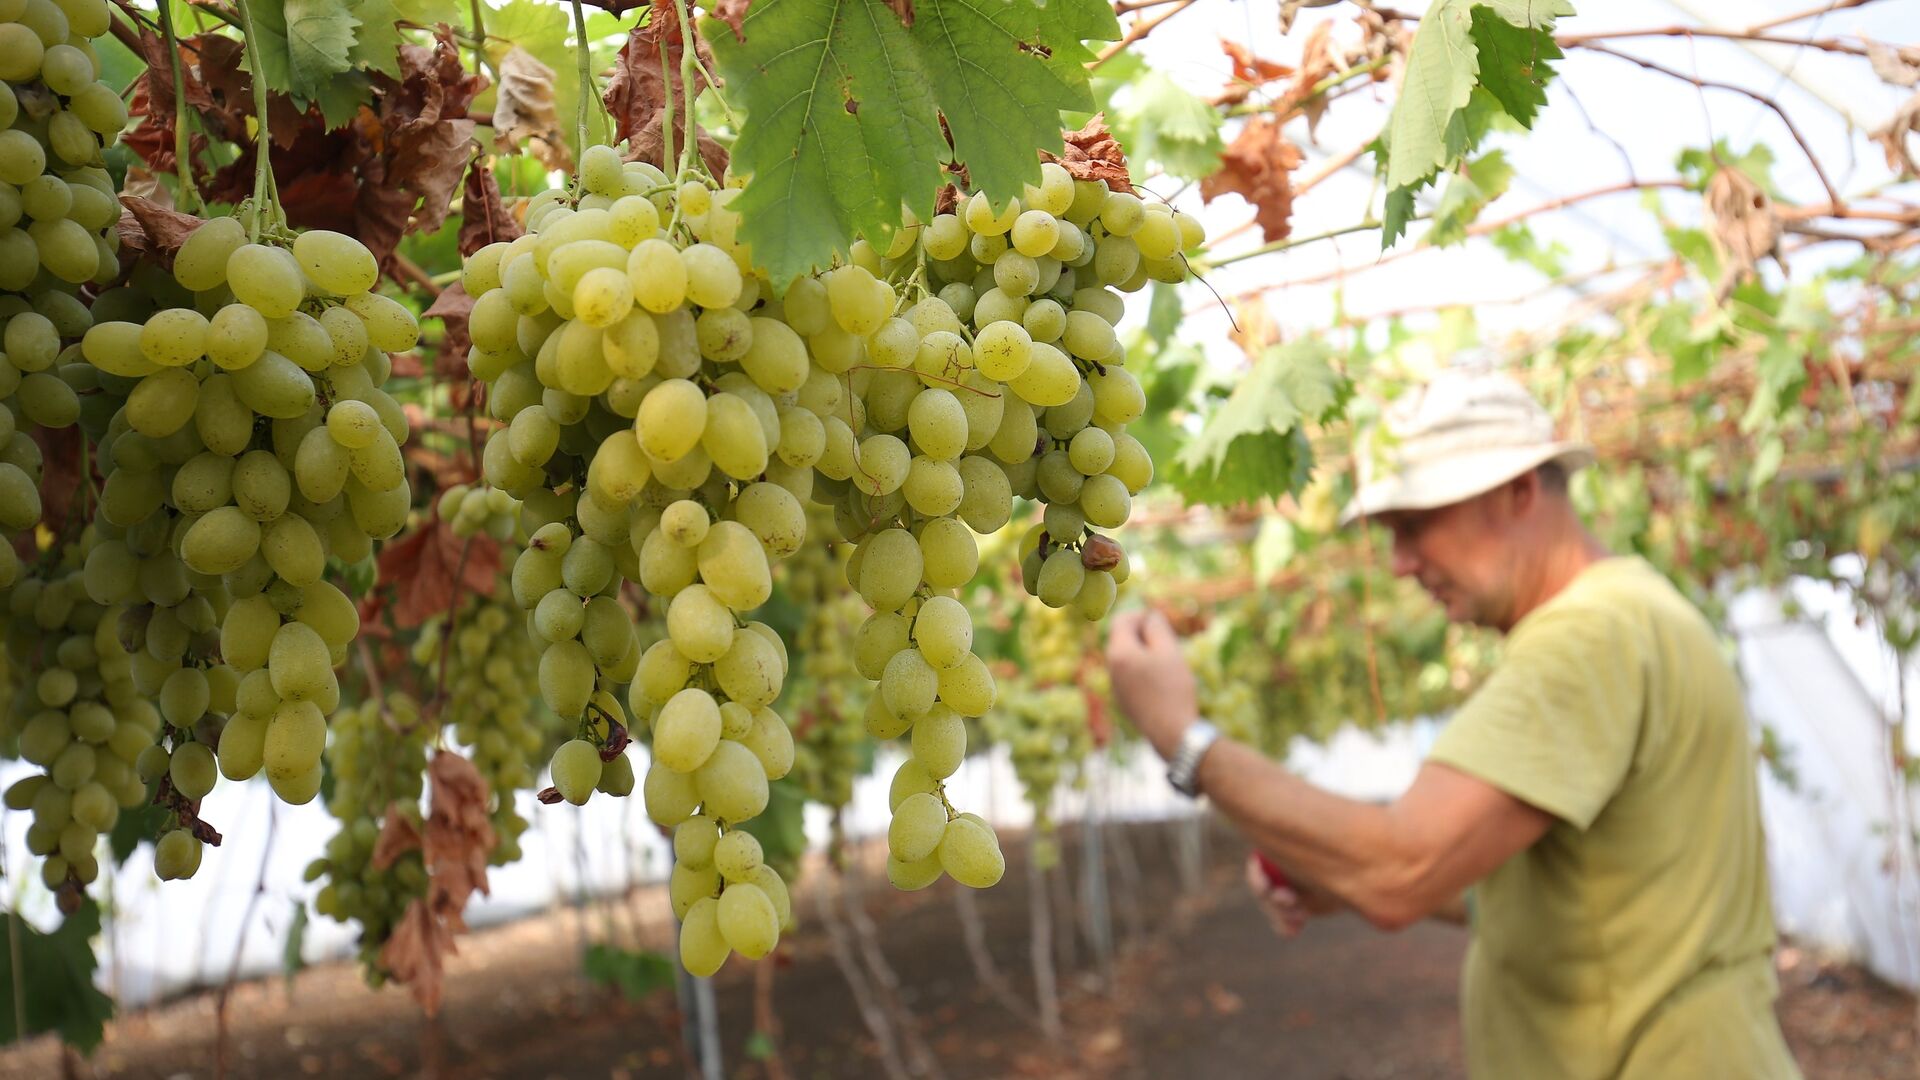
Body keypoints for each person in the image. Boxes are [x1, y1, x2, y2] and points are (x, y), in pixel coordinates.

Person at [1106, 371, 1800, 1078]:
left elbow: (1398, 868)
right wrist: (1331, 877)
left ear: (1518, 491)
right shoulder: (1632, 613)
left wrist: (1184, 738)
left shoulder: (1587, 641)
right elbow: (1575, 898)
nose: (1401, 563)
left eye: (1414, 526)